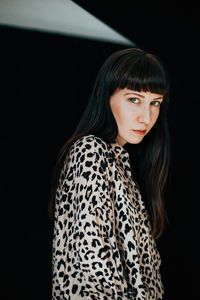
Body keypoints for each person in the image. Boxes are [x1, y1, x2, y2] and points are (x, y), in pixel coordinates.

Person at [49, 47, 170, 299]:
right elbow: (94, 261)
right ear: (106, 97)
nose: (146, 117)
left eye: (155, 103)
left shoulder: (119, 163)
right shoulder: (90, 151)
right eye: (134, 99)